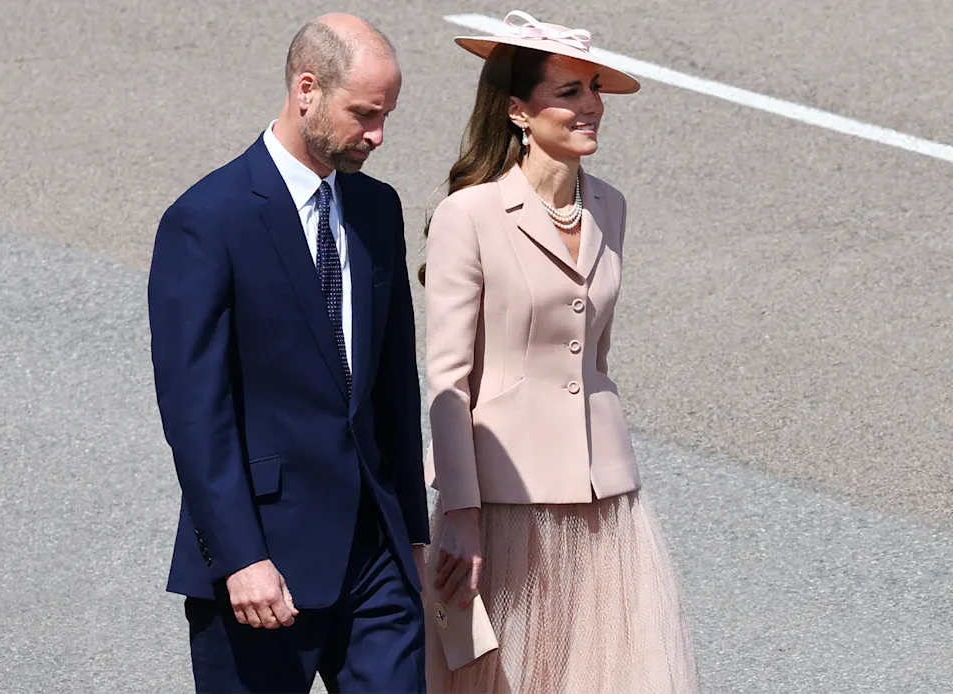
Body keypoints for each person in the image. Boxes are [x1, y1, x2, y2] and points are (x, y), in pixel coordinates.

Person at [148, 14, 429, 693]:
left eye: (386, 115)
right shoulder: (207, 220)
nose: (378, 136)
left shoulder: (376, 209)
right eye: (364, 114)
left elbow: (394, 382)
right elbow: (196, 413)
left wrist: (412, 535)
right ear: (308, 90)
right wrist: (240, 556)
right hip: (262, 564)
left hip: (375, 558)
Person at [422, 11, 698, 693]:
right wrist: (461, 514)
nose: (591, 105)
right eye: (569, 91)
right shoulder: (469, 215)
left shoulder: (611, 206)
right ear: (518, 110)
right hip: (505, 502)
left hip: (605, 499)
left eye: (594, 88)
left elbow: (594, 356)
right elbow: (448, 381)